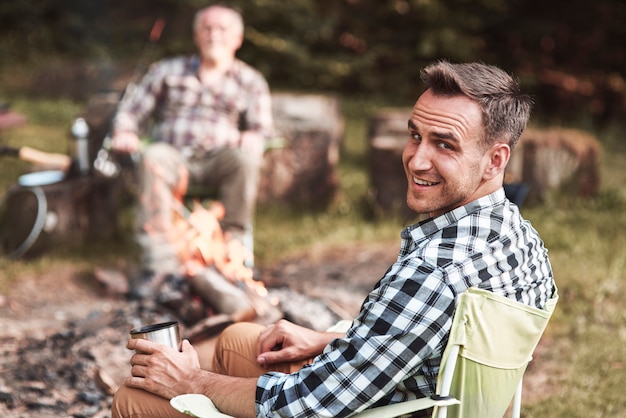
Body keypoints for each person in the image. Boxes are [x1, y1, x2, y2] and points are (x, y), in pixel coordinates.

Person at [111, 60, 557, 418]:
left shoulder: (434, 270)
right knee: (239, 339)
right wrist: (328, 342)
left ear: (495, 160)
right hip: (432, 394)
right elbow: (442, 344)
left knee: (136, 401)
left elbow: (302, 407)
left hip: (382, 409)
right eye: (415, 136)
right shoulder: (522, 239)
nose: (416, 160)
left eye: (445, 145)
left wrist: (192, 382)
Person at [110, 4, 274, 320]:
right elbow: (131, 110)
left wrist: (255, 136)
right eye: (208, 28)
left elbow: (262, 128)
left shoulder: (250, 80)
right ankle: (160, 265)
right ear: (197, 35)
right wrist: (125, 131)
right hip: (174, 156)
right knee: (153, 156)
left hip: (220, 158)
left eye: (223, 29)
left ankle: (234, 251)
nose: (215, 35)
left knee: (245, 160)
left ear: (237, 38)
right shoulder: (167, 71)